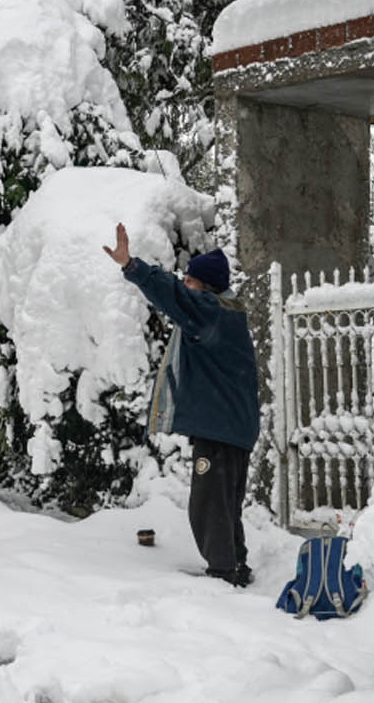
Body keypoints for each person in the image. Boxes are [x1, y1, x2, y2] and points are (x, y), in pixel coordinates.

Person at [104, 223, 260, 587]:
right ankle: (235, 566)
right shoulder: (226, 312)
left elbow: (172, 294)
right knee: (224, 503)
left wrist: (132, 266)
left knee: (208, 504)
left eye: (191, 280)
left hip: (221, 428)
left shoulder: (210, 311)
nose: (185, 283)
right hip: (233, 427)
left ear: (204, 287)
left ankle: (223, 573)